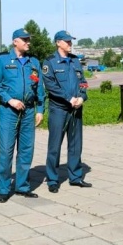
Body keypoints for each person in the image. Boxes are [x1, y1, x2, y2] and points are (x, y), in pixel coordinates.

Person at [0, 28, 45, 203]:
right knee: (6, 151)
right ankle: (4, 189)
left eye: (29, 40)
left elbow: (40, 88)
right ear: (15, 41)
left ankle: (22, 186)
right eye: (25, 40)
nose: (28, 42)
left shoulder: (33, 62)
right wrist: (9, 100)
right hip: (9, 112)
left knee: (26, 150)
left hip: (28, 112)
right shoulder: (3, 60)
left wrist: (40, 110)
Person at [42, 30, 90, 193]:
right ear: (58, 43)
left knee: (76, 145)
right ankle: (52, 179)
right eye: (67, 41)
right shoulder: (50, 62)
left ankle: (75, 177)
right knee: (54, 146)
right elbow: (51, 85)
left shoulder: (75, 61)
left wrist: (82, 97)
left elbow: (83, 82)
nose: (70, 44)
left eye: (71, 41)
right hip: (59, 109)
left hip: (76, 109)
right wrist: (68, 98)